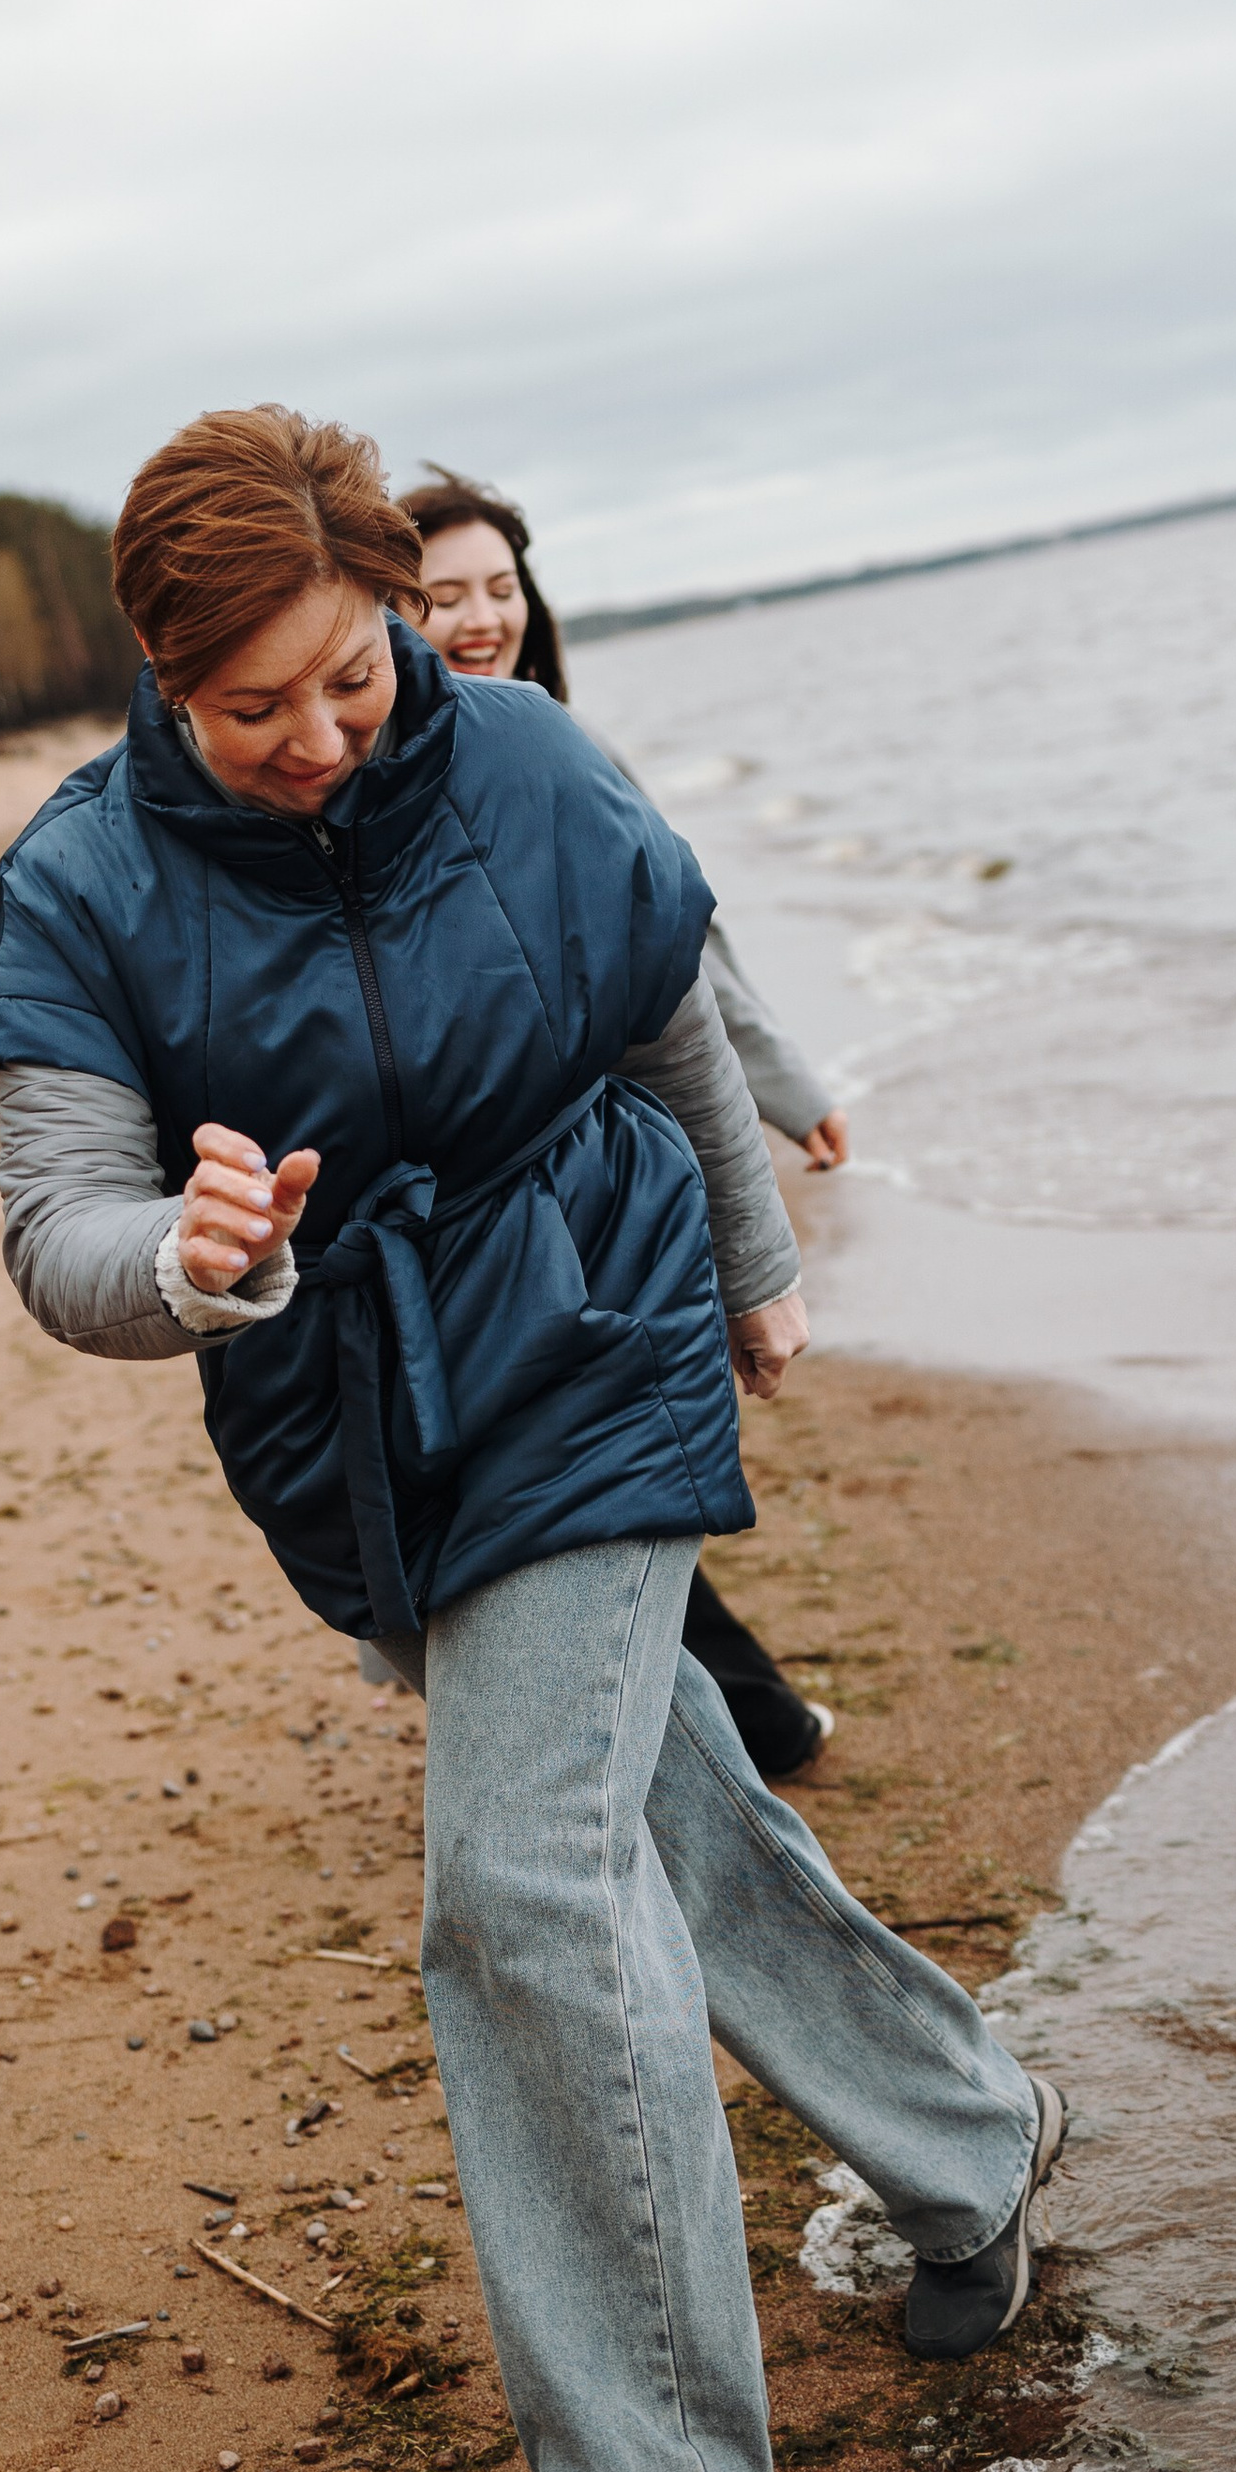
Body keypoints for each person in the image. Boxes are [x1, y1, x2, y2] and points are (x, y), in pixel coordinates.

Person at [0, 406, 1062, 2472]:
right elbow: (57, 1224)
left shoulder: (526, 757)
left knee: (517, 1891)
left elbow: (662, 1005)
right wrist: (189, 1250)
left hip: (591, 1321)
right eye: (252, 706)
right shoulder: (78, 885)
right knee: (657, 1805)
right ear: (159, 673)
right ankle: (971, 2140)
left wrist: (753, 1262)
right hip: (344, 1420)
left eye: (349, 678)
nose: (319, 737)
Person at [402, 474, 842, 1780]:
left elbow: (684, 950)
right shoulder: (387, 768)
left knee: (612, 1448)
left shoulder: (556, 745)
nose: (481, 619)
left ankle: (726, 1715)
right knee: (585, 1452)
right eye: (441, 597)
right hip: (496, 1177)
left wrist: (785, 1081)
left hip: (616, 1156)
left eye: (500, 587)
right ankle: (722, 1717)